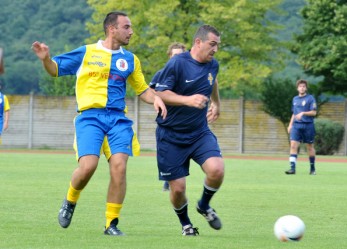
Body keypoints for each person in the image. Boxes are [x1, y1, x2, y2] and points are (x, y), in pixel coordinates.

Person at [31, 11, 167, 236]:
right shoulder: (87, 52)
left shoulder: (130, 60)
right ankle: (70, 201)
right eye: (126, 27)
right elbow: (55, 70)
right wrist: (46, 58)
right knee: (88, 167)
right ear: (112, 28)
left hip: (118, 120)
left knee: (120, 167)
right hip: (90, 118)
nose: (131, 31)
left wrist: (157, 98)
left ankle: (111, 224)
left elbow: (143, 90)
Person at [152, 24, 224, 236]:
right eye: (212, 44)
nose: (216, 49)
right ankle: (186, 224)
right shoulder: (177, 64)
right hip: (170, 136)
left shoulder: (213, 64)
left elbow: (213, 82)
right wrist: (187, 100)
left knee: (217, 170)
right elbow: (159, 93)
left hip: (199, 132)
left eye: (218, 45)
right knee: (178, 189)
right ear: (198, 42)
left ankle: (204, 205)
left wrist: (217, 103)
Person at [150, 42, 187, 191]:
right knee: (166, 152)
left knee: (184, 150)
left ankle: (174, 178)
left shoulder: (189, 75)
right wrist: (156, 100)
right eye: (174, 55)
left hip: (185, 122)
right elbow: (149, 91)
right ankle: (168, 177)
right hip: (166, 122)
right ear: (169, 57)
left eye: (180, 55)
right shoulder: (161, 74)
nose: (177, 58)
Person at [285, 79, 317, 175]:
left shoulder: (310, 98)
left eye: (303, 86)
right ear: (297, 88)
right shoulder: (295, 99)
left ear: (306, 88)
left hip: (308, 126)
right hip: (296, 126)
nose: (302, 88)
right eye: (300, 86)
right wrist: (290, 125)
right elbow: (294, 113)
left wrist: (303, 113)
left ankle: (312, 169)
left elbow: (314, 112)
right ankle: (292, 169)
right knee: (293, 145)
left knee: (309, 147)